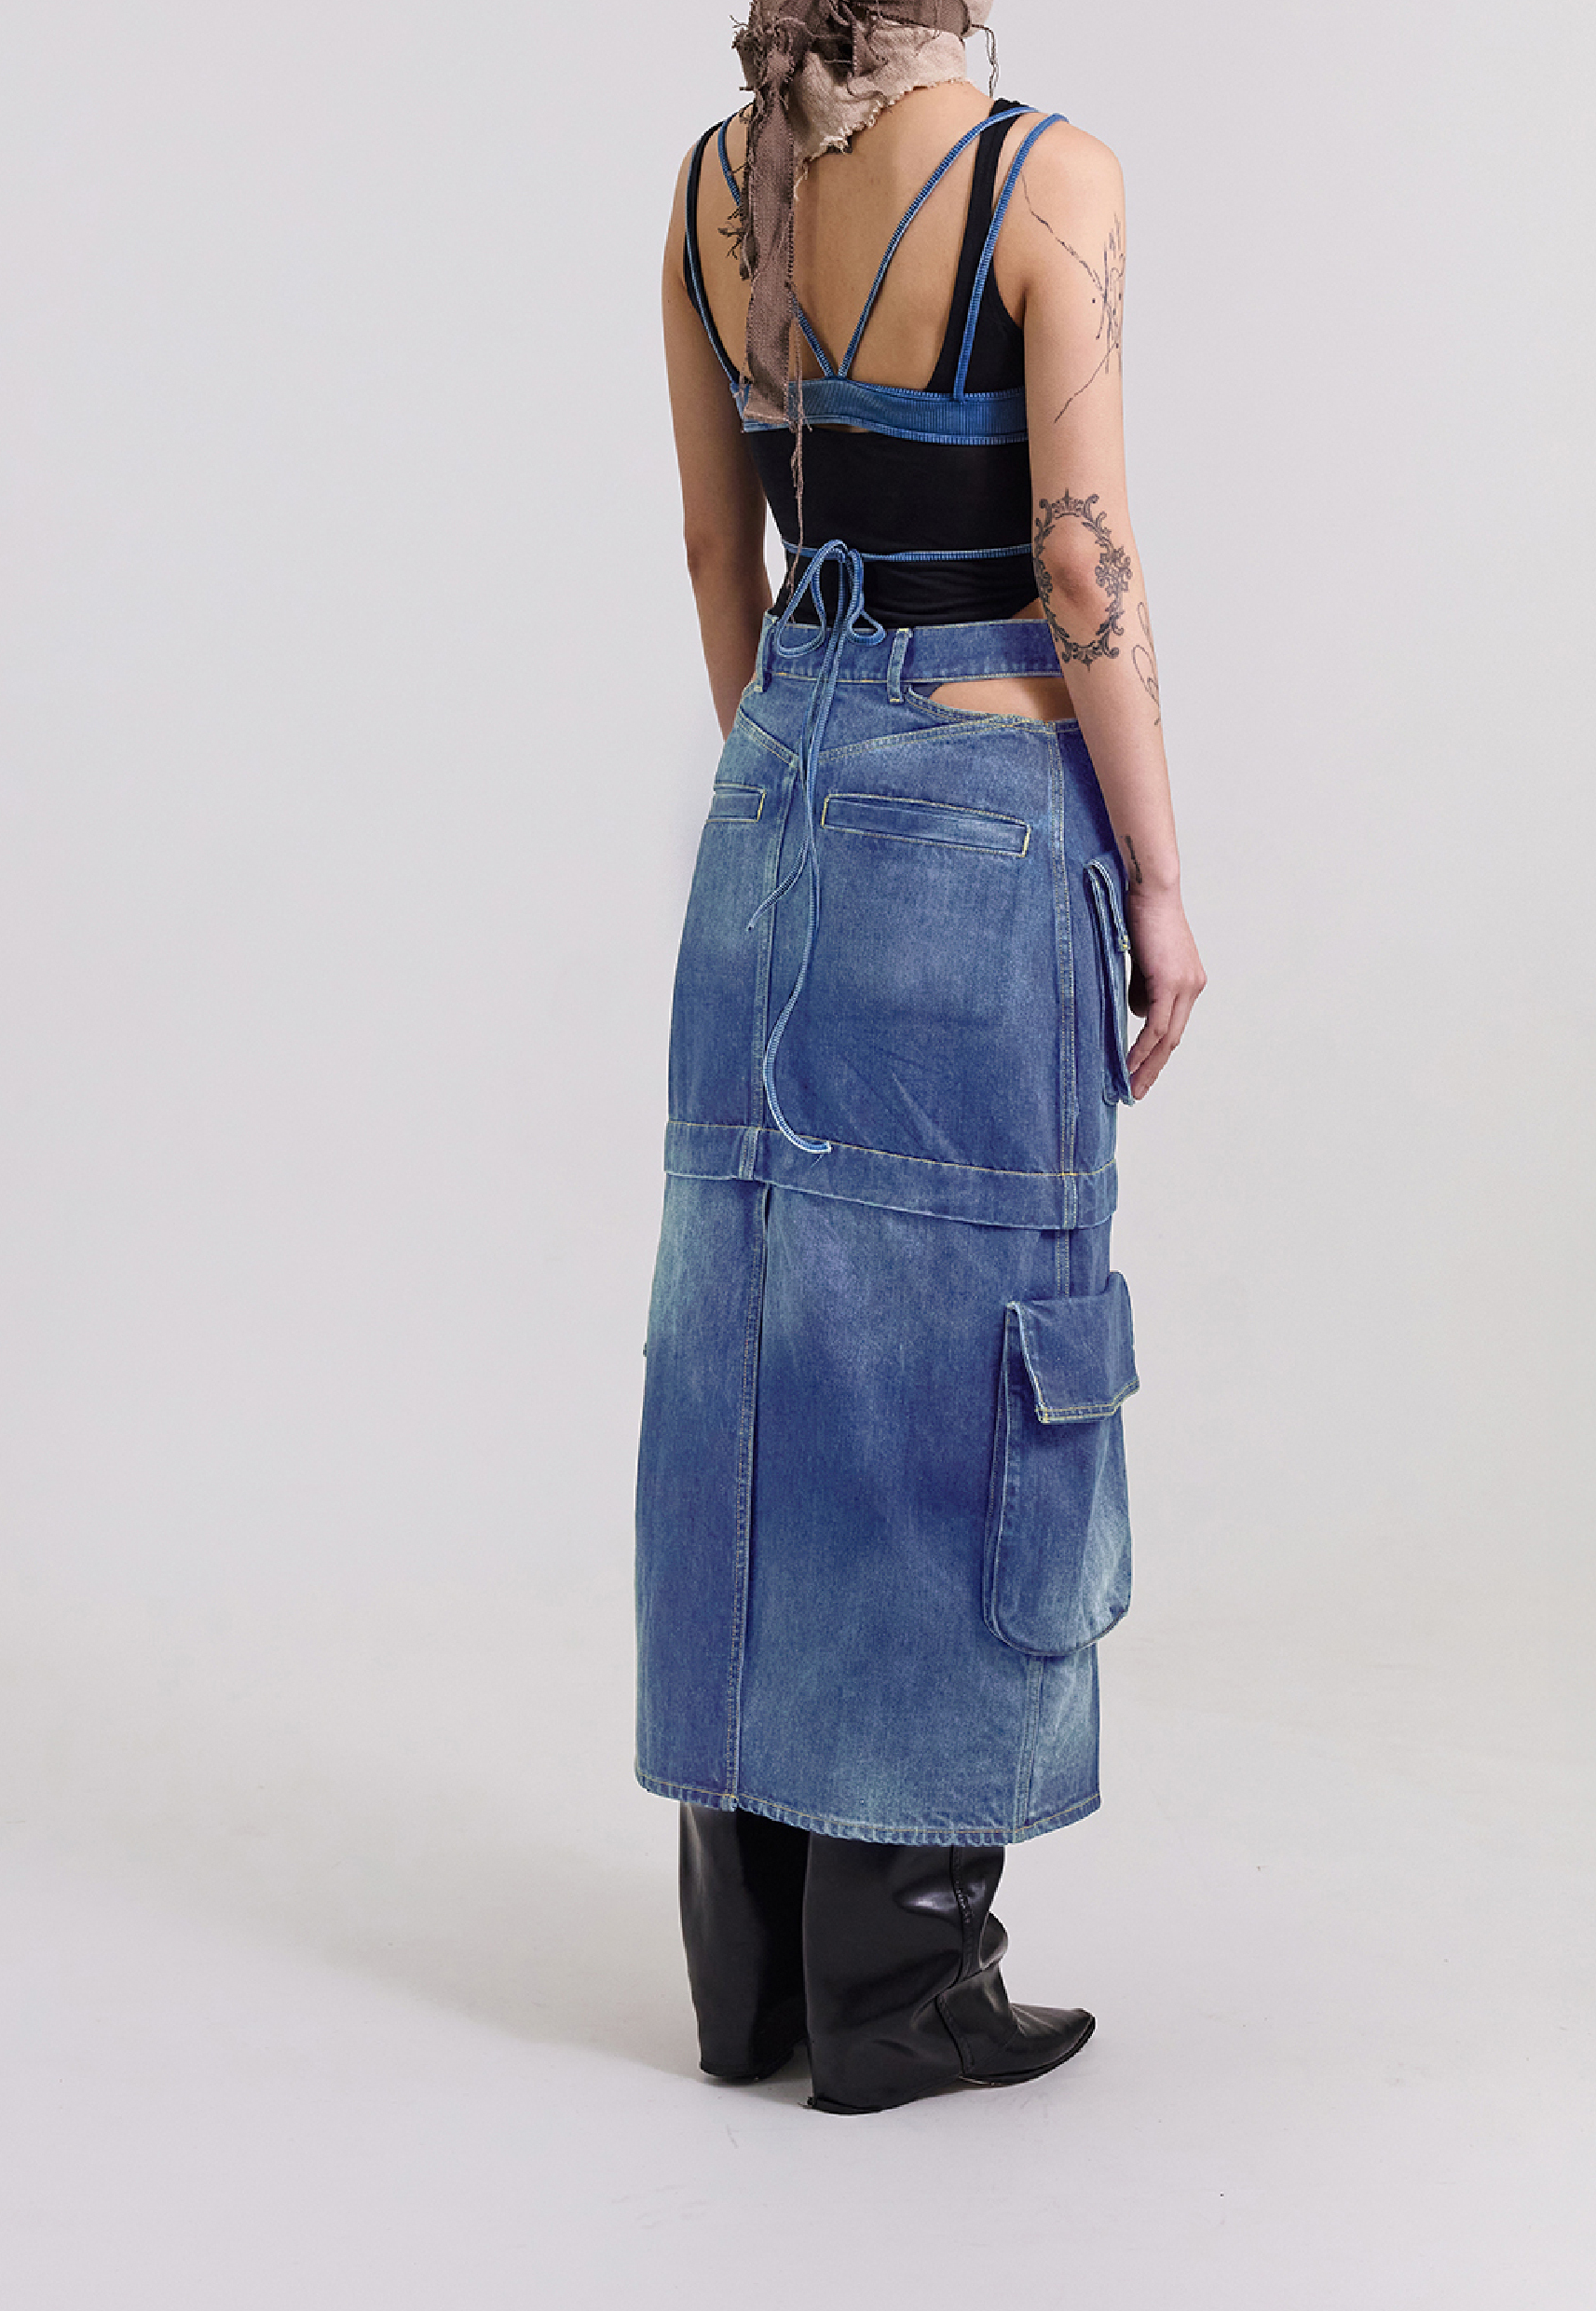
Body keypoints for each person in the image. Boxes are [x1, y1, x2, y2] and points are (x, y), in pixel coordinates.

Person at [636, 0, 1206, 2116]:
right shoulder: (1049, 176)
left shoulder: (715, 180)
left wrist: (800, 768)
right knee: (969, 1352)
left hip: (772, 805)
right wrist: (1160, 882)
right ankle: (905, 1984)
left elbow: (722, 548)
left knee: (756, 1354)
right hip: (981, 807)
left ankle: (756, 1975)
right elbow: (1079, 561)